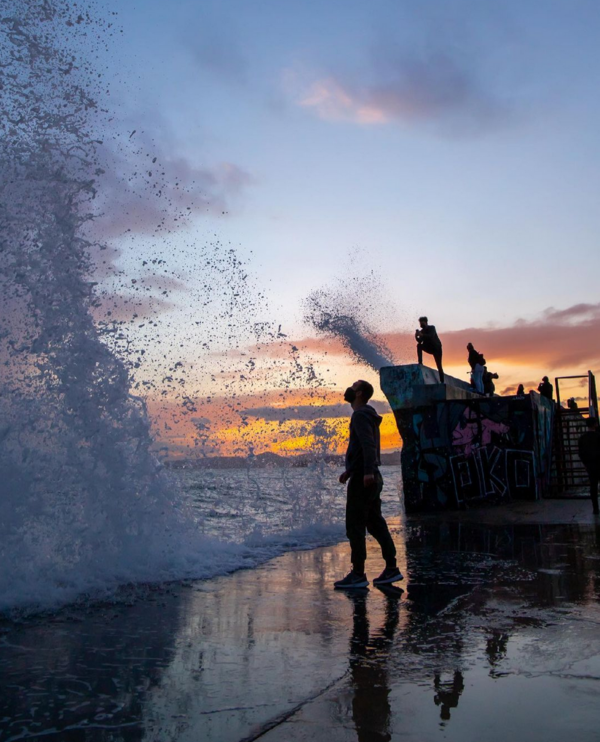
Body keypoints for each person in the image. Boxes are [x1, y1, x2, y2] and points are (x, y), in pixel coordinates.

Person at [335, 379, 403, 589]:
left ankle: (358, 574)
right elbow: (364, 446)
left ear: (360, 393)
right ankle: (391, 568)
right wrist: (351, 471)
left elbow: (367, 444)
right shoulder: (367, 414)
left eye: (353, 386)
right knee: (374, 523)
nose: (349, 388)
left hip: (366, 480)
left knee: (355, 525)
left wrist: (365, 473)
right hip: (370, 477)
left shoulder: (360, 414)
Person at [578, 419, 600, 515]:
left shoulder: (583, 438)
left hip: (590, 465)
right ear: (595, 424)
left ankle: (595, 508)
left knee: (593, 486)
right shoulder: (599, 437)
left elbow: (581, 453)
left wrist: (586, 464)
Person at [415, 316, 444, 382]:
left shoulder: (432, 328)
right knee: (419, 346)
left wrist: (422, 335)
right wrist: (416, 336)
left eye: (421, 323)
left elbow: (431, 336)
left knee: (439, 366)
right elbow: (420, 341)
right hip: (429, 348)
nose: (420, 324)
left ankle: (442, 381)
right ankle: (420, 362)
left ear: (425, 322)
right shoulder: (422, 331)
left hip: (436, 349)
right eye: (420, 323)